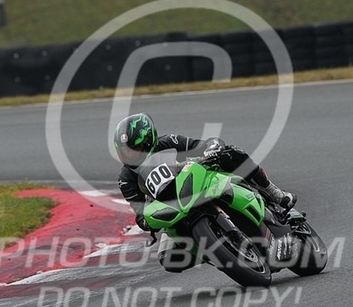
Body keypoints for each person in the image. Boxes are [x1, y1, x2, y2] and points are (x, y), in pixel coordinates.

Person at [114, 112, 296, 272]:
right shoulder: (126, 178)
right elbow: (139, 211)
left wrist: (211, 148)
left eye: (134, 150)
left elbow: (201, 144)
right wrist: (146, 221)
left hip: (198, 181)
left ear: (149, 141)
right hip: (173, 209)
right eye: (125, 152)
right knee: (168, 258)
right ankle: (220, 252)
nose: (130, 156)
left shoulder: (169, 142)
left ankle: (273, 192)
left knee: (231, 153)